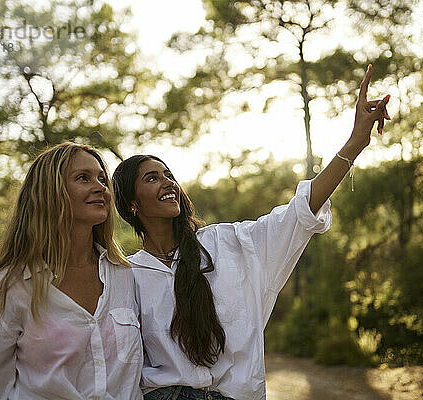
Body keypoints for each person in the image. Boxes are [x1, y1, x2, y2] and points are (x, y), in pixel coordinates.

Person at [112, 64, 390, 400]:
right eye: (152, 178)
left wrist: (357, 141)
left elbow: (299, 213)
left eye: (168, 174)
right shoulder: (127, 275)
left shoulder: (230, 245)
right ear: (131, 205)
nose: (168, 183)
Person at [0, 143, 143, 400]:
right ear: (50, 193)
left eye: (102, 179)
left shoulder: (126, 275)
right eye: (83, 178)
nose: (101, 187)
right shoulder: (10, 289)